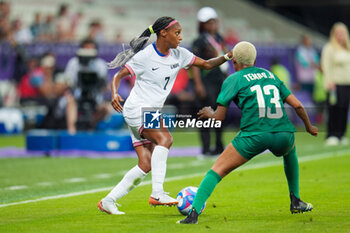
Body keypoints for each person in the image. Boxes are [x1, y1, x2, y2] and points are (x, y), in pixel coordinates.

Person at [97, 16, 233, 215]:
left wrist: (228, 56)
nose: (180, 37)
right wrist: (114, 92)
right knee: (165, 139)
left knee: (145, 163)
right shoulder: (145, 56)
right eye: (177, 33)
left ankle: (108, 201)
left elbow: (206, 64)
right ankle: (157, 193)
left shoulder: (180, 54)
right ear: (163, 33)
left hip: (148, 111)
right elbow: (119, 75)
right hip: (138, 108)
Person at [178, 41, 318, 224]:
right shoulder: (270, 75)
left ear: (234, 61)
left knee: (217, 170)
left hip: (254, 134)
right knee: (290, 152)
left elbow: (218, 118)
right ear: (254, 59)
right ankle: (296, 200)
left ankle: (193, 214)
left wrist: (209, 113)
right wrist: (308, 126)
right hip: (283, 132)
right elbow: (297, 105)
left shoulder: (233, 79)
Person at [192, 7, 229, 155]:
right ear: (203, 24)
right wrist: (198, 84)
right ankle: (206, 147)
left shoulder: (220, 39)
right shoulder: (199, 41)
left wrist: (228, 80)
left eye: (214, 21)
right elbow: (194, 65)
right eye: (209, 22)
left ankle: (219, 145)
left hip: (220, 81)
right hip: (206, 82)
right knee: (205, 115)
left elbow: (225, 60)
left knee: (220, 113)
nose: (213, 25)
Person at [64, 38, 110, 132]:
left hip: (95, 97)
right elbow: (68, 82)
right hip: (77, 96)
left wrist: (101, 84)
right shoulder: (74, 63)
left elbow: (105, 87)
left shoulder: (100, 64)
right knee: (70, 102)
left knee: (107, 108)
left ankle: (90, 126)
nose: (88, 51)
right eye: (86, 48)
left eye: (91, 48)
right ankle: (71, 132)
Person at [321, 22, 350, 146]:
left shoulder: (348, 48)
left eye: (342, 33)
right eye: (338, 33)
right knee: (334, 109)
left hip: (346, 84)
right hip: (334, 84)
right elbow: (326, 66)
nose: (340, 36)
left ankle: (341, 134)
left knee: (344, 109)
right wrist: (329, 81)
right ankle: (332, 134)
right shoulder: (329, 48)